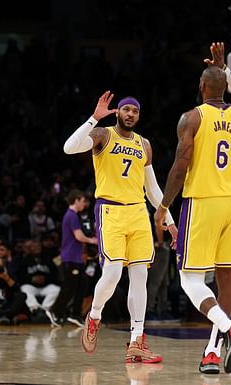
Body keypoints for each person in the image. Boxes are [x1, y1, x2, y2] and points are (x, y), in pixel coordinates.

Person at [154, 42, 231, 374]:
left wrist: (164, 205)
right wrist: (226, 69)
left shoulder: (192, 117)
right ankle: (212, 352)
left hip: (203, 202)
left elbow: (180, 167)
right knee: (226, 277)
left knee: (189, 280)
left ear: (201, 87)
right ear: (224, 86)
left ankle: (228, 328)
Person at [63, 90, 178, 363]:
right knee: (113, 274)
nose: (130, 114)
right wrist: (93, 118)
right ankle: (94, 316)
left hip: (138, 213)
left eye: (135, 111)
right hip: (110, 211)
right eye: (126, 109)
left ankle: (137, 340)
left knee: (140, 279)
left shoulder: (144, 144)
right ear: (118, 112)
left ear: (139, 116)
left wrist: (170, 221)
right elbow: (69, 147)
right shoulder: (103, 135)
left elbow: (152, 188)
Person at [45, 189, 97, 327]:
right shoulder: (71, 215)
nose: (84, 204)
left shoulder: (74, 215)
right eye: (82, 201)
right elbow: (78, 236)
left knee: (82, 285)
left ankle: (75, 314)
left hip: (76, 258)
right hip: (70, 258)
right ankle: (54, 311)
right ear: (77, 200)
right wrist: (93, 240)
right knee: (69, 287)